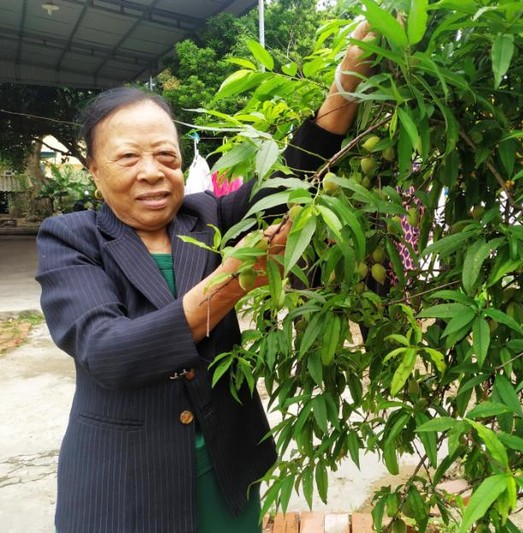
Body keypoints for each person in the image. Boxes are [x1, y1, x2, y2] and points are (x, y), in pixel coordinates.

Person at [36, 21, 374, 533]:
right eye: (127, 157)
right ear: (93, 170)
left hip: (226, 469)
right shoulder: (69, 237)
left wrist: (343, 86)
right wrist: (233, 280)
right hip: (125, 483)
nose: (152, 171)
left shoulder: (206, 217)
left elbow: (292, 176)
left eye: (166, 156)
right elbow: (108, 350)